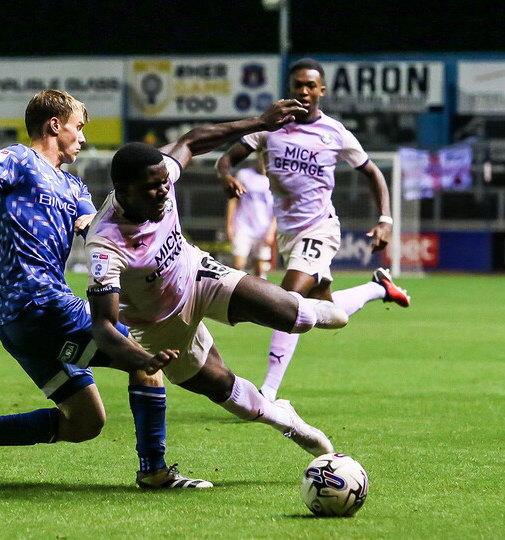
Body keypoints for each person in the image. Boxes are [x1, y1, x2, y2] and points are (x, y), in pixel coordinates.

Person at [0, 89, 210, 489]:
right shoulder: (20, 160)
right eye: (79, 127)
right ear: (55, 125)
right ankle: (154, 471)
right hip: (44, 305)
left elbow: (101, 227)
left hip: (19, 325)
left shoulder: (75, 189)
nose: (83, 138)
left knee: (86, 422)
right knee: (144, 363)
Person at [84, 99, 348, 466]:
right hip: (161, 327)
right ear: (123, 190)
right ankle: (285, 419)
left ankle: (325, 306)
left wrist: (260, 123)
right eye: (152, 188)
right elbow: (104, 325)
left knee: (293, 314)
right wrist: (144, 358)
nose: (163, 192)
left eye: (165, 183)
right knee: (228, 392)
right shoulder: (105, 244)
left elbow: (192, 141)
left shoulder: (159, 177)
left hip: (197, 275)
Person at [215, 58, 411, 403]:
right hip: (290, 234)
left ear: (321, 90)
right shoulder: (270, 128)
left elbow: (372, 173)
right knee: (328, 311)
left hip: (319, 228)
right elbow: (227, 158)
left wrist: (386, 219)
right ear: (290, 89)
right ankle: (377, 288)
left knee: (286, 301)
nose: (304, 91)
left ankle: (268, 393)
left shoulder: (334, 133)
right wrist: (226, 175)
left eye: (310, 86)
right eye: (298, 85)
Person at [225, 152, 275, 279]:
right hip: (243, 227)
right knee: (238, 265)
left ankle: (259, 297)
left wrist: (271, 231)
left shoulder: (275, 179)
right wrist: (229, 225)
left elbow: (278, 208)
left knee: (259, 269)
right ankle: (233, 294)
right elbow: (233, 199)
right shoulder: (244, 175)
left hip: (263, 230)